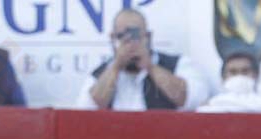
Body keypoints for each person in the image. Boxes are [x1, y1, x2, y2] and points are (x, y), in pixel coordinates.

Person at [76, 8, 207, 112]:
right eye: (122, 36)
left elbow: (192, 100)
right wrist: (117, 66)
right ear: (112, 38)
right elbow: (87, 108)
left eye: (136, 35)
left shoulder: (177, 65)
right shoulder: (101, 73)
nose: (130, 43)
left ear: (148, 37)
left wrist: (149, 66)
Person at [197, 52, 261, 113]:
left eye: (245, 71)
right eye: (233, 72)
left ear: (256, 76)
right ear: (223, 78)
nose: (239, 76)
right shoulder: (210, 106)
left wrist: (218, 103)